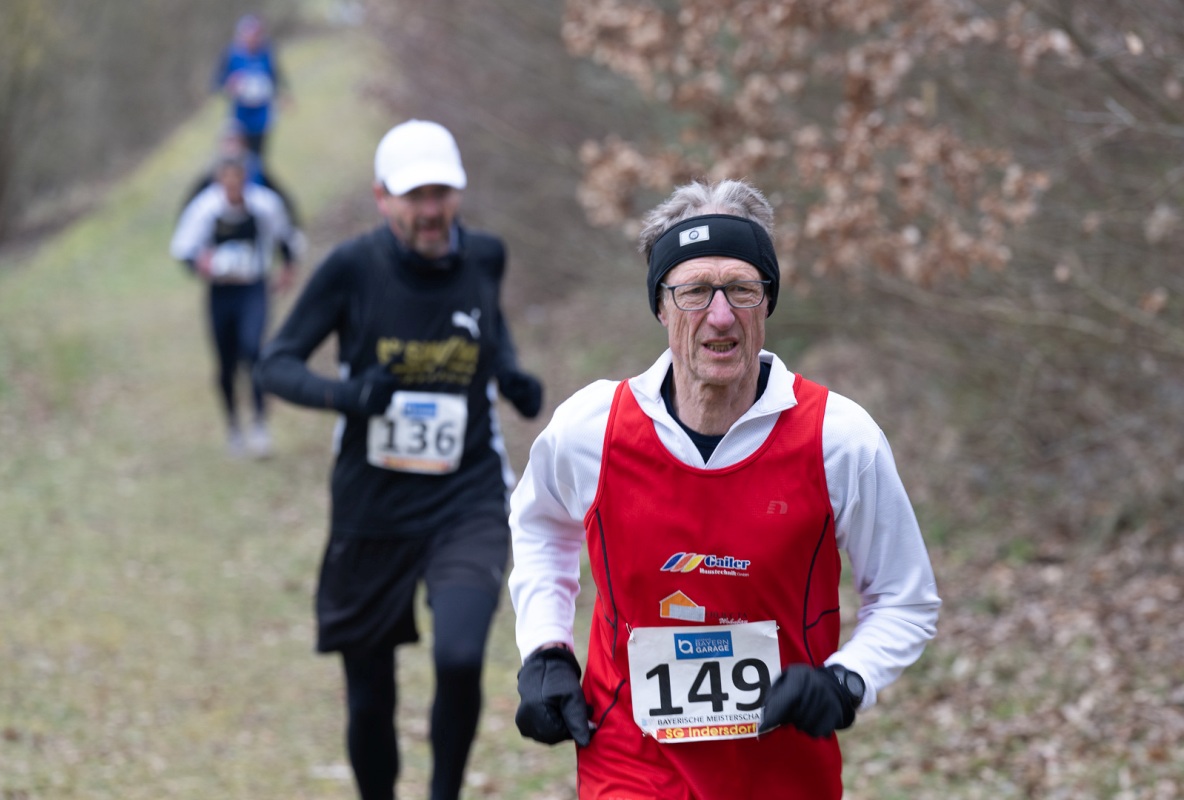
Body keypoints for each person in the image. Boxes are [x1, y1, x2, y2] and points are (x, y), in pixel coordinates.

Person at [507, 179, 941, 798]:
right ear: (661, 306)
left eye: (741, 288)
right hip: (629, 762)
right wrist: (546, 650)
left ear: (767, 301)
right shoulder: (591, 429)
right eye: (693, 292)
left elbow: (905, 597)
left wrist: (846, 681)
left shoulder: (838, 439)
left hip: (782, 769)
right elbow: (540, 527)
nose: (720, 315)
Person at [253, 119, 544, 800]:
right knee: (369, 694)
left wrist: (509, 372)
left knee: (461, 657)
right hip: (373, 504)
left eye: (441, 194)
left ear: (458, 194)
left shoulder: (486, 256)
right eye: (414, 197)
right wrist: (351, 396)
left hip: (467, 495)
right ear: (383, 198)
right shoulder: (353, 268)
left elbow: (487, 326)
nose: (430, 211)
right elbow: (275, 364)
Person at [170, 153, 298, 458]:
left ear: (245, 179)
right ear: (218, 180)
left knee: (253, 350)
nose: (231, 186)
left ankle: (260, 425)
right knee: (226, 363)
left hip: (253, 288)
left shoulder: (265, 205)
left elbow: (286, 238)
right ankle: (233, 426)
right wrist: (200, 264)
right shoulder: (205, 209)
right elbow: (183, 248)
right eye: (226, 180)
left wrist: (287, 268)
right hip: (221, 292)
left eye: (237, 180)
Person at [213, 13, 288, 157]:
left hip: (262, 115)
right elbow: (216, 82)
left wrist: (281, 94)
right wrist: (229, 85)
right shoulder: (230, 53)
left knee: (257, 157)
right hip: (239, 115)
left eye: (257, 35)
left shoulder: (267, 52)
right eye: (249, 35)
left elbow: (276, 76)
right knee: (237, 156)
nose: (253, 39)